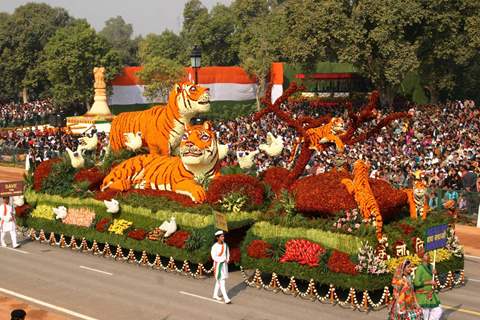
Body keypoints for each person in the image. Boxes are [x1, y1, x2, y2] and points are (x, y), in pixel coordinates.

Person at [414, 251, 442, 320]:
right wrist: (429, 282)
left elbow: (433, 276)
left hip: (431, 294)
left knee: (438, 311)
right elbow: (416, 283)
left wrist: (436, 273)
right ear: (422, 257)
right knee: (425, 315)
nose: (428, 256)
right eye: (426, 255)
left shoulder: (431, 266)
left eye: (428, 255)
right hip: (422, 295)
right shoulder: (420, 268)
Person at [211, 230, 231, 304]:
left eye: (223, 236)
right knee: (222, 281)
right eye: (221, 236)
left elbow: (228, 254)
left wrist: (227, 259)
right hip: (218, 265)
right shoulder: (214, 247)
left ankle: (215, 294)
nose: (223, 237)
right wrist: (222, 260)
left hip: (224, 265)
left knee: (219, 280)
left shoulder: (225, 245)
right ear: (217, 238)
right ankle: (226, 298)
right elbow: (214, 257)